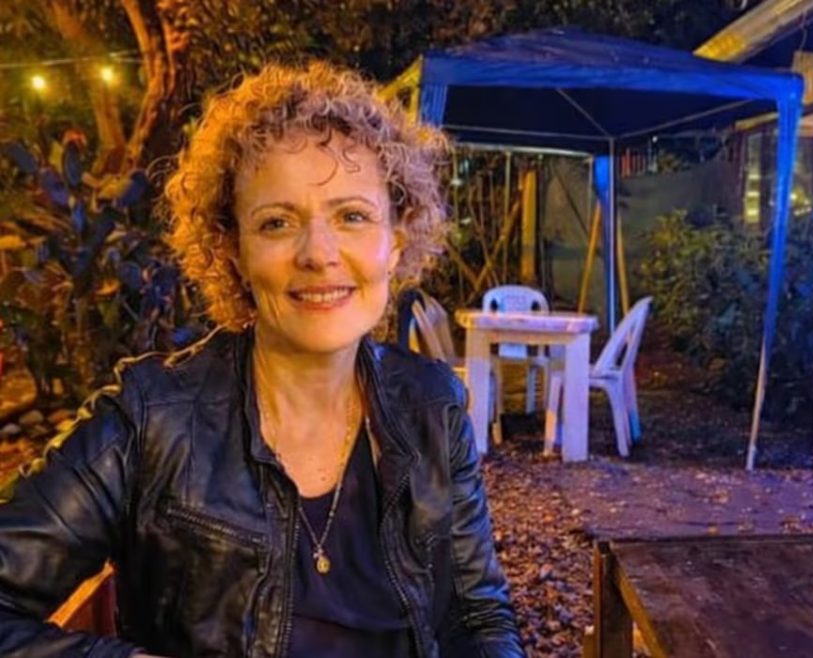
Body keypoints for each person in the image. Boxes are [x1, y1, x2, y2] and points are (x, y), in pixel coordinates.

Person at [0, 62, 524, 657]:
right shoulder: (149, 421)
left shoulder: (432, 404)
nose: (318, 254)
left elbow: (478, 616)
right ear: (234, 250)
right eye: (277, 223)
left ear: (396, 241)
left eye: (352, 216)